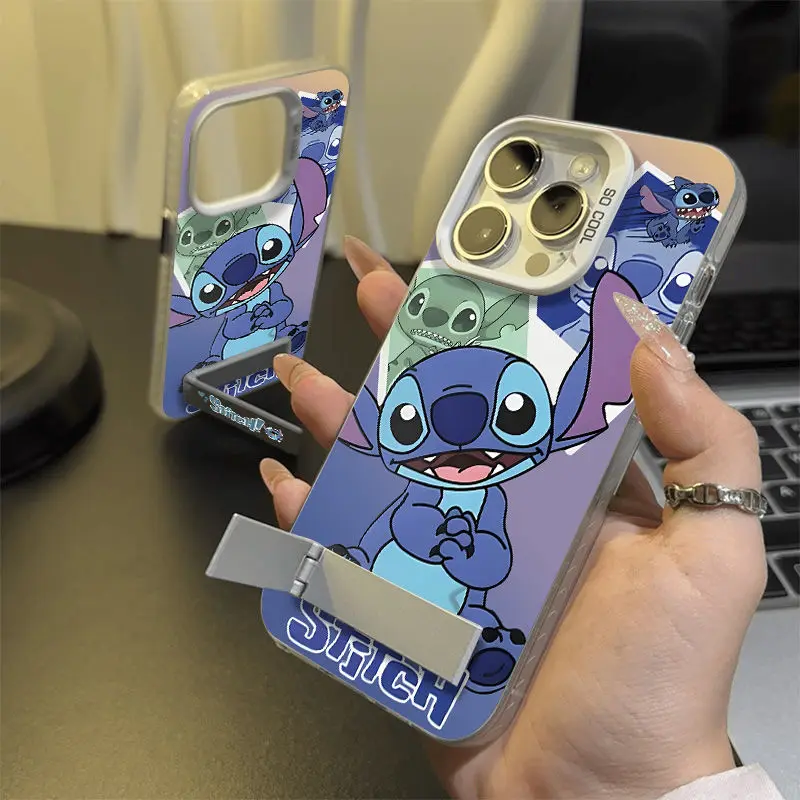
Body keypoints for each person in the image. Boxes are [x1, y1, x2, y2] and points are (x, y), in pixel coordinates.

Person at [259, 235, 787, 800]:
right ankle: (358, 573)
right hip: (390, 576)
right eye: (411, 422)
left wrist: (468, 553)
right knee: (362, 553)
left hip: (450, 611)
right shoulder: (430, 491)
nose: (462, 448)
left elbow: (494, 559)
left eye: (513, 413)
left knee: (478, 607)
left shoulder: (494, 502)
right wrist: (435, 540)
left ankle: (478, 650)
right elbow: (401, 522)